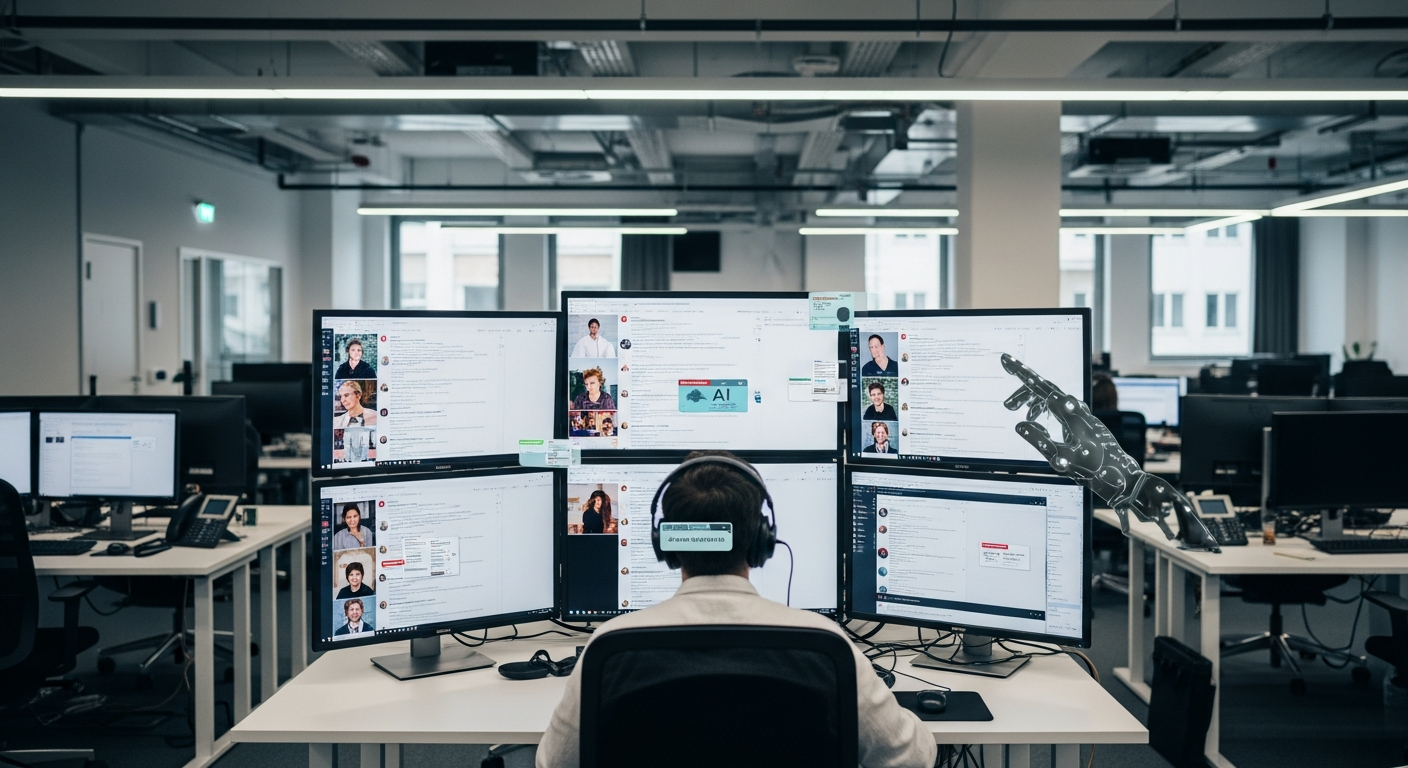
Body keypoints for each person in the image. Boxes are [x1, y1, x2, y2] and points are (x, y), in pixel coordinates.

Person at [536, 450, 935, 768]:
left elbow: (554, 762)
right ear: (762, 541)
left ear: (668, 544)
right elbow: (912, 758)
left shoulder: (611, 650)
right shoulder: (825, 648)